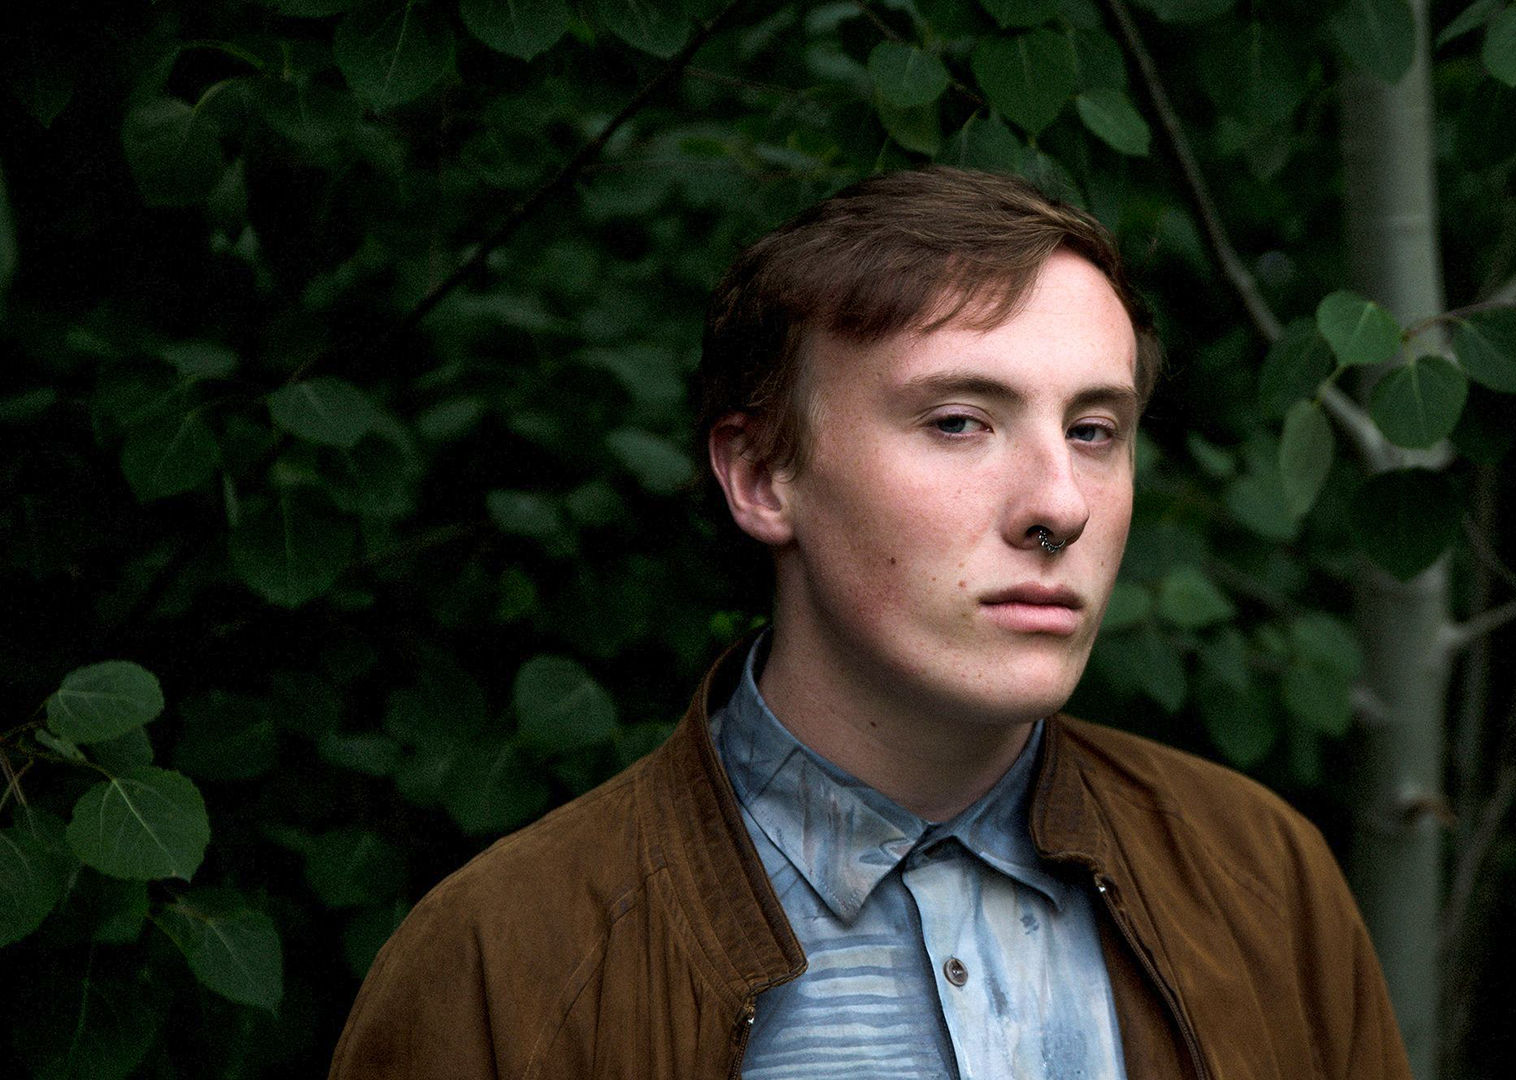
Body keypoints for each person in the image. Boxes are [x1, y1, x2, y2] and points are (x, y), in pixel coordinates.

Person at [329, 167, 1412, 1080]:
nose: (1060, 505)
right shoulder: (501, 965)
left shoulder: (1262, 878)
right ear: (763, 474)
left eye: (1093, 429)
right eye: (960, 421)